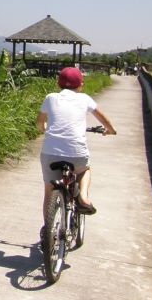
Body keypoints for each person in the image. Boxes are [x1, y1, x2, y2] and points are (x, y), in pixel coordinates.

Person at [36, 67, 116, 215]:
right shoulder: (85, 98)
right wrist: (110, 130)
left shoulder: (51, 97)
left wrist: (45, 128)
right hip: (77, 154)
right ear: (80, 84)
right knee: (85, 169)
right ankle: (84, 198)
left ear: (58, 83)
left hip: (50, 153)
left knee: (49, 191)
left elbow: (40, 123)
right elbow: (103, 119)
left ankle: (48, 232)